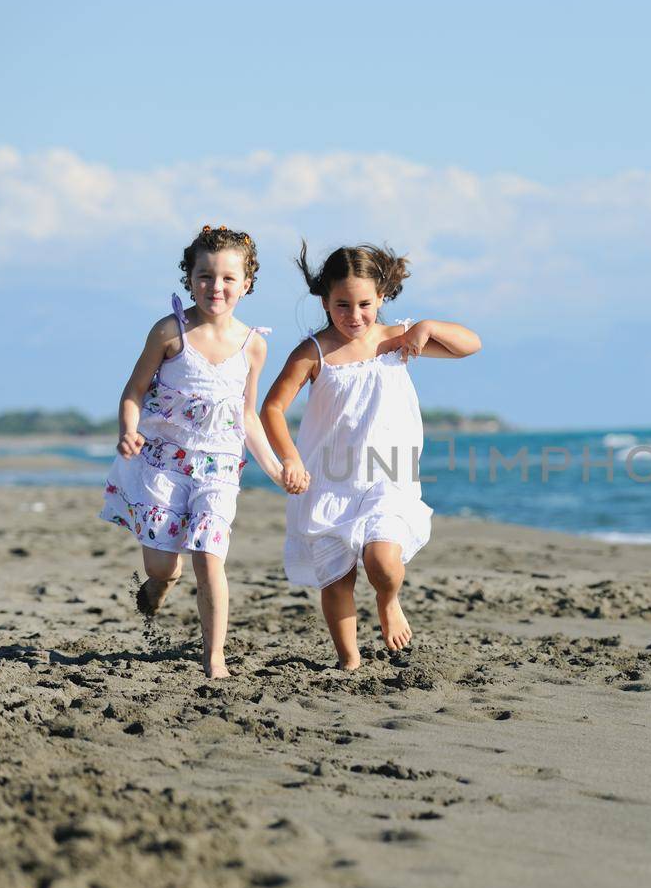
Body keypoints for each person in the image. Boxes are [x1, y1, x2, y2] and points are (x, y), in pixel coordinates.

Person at [261, 242, 481, 670]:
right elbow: (271, 408)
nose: (354, 315)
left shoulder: (395, 339)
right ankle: (349, 660)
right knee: (337, 577)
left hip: (387, 475)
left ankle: (389, 599)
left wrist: (427, 326)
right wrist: (289, 458)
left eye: (364, 304)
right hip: (329, 478)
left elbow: (469, 345)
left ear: (381, 297)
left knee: (382, 559)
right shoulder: (314, 352)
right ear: (324, 301)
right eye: (342, 305)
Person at [99, 225, 286, 679]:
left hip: (219, 470)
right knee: (162, 565)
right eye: (205, 275)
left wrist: (278, 470)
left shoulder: (253, 344)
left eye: (227, 278)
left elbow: (248, 416)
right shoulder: (170, 332)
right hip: (163, 466)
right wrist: (128, 429)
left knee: (209, 556)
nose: (215, 287)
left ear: (247, 283)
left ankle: (214, 658)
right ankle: (161, 583)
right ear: (190, 277)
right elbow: (134, 391)